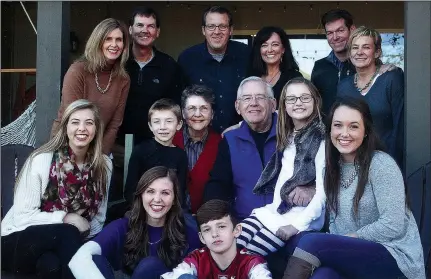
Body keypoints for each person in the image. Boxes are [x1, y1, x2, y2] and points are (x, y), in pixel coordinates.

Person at [282, 97, 425, 279]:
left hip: (395, 258)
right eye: (338, 125)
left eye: (354, 126)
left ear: (365, 131)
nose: (344, 133)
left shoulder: (381, 164)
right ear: (330, 129)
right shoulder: (330, 170)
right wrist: (343, 242)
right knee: (323, 276)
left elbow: (393, 225)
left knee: (310, 241)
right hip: (355, 258)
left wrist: (351, 238)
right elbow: (335, 225)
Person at [2, 99, 113, 279]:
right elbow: (22, 217)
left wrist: (77, 240)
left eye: (89, 123)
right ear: (65, 127)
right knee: (67, 231)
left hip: (62, 245)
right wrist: (67, 218)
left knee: (51, 266)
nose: (82, 128)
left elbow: (98, 221)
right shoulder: (42, 160)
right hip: (17, 240)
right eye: (75, 122)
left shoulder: (104, 166)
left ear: (97, 129)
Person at [237, 77, 326, 257]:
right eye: (292, 99)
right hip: (274, 210)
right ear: (283, 105)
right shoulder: (289, 134)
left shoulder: (321, 139)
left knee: (246, 257)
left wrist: (296, 226)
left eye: (305, 98)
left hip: (299, 218)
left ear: (315, 101)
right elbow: (254, 119)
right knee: (233, 245)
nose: (298, 103)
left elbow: (324, 193)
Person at [69, 166, 201, 279]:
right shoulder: (122, 226)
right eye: (150, 191)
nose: (157, 199)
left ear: (174, 199)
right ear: (141, 195)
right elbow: (78, 259)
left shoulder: (188, 233)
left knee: (150, 266)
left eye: (165, 193)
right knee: (94, 259)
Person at [51, 18, 131, 155]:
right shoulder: (78, 70)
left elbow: (114, 125)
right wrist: (82, 160)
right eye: (108, 39)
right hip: (66, 146)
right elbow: (73, 119)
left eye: (119, 40)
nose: (114, 44)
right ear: (98, 41)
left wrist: (100, 157)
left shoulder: (123, 79)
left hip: (99, 150)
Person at [203, 76, 277, 220]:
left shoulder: (290, 135)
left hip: (286, 222)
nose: (253, 103)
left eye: (260, 97)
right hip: (245, 222)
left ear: (273, 104)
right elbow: (218, 183)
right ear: (238, 106)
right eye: (247, 98)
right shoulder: (230, 140)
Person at [337, 26, 404, 168]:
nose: (359, 52)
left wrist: (394, 166)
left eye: (366, 47)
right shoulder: (344, 86)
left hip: (386, 162)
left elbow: (400, 127)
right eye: (355, 48)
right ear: (349, 53)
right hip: (353, 164)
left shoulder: (392, 79)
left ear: (377, 52)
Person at [117, 6, 183, 147]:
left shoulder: (169, 66)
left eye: (150, 26)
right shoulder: (118, 62)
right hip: (117, 145)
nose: (144, 30)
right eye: (139, 25)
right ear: (130, 30)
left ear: (157, 32)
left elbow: (175, 107)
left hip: (156, 145)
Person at [178, 6, 250, 133]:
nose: (217, 32)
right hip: (200, 137)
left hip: (240, 135)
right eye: (211, 26)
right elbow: (180, 101)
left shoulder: (247, 55)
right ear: (203, 30)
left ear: (230, 30)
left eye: (222, 26)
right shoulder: (187, 59)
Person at [161, 199, 272, 279]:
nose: (214, 234)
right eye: (207, 230)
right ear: (201, 238)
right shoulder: (197, 259)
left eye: (221, 226)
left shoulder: (251, 262)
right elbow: (174, 276)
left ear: (237, 230)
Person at [124, 99, 188, 208]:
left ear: (179, 124)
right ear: (150, 126)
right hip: (141, 209)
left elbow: (180, 192)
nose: (163, 127)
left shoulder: (180, 155)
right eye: (157, 121)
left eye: (169, 121)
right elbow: (130, 190)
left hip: (169, 210)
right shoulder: (140, 151)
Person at [172, 84, 222, 214]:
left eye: (204, 108)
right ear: (183, 113)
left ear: (212, 114)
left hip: (208, 218)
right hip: (170, 216)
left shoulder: (222, 144)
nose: (197, 114)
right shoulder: (170, 140)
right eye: (192, 108)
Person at [247, 26, 302, 104]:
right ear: (259, 50)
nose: (269, 50)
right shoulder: (251, 77)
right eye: (264, 45)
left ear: (283, 49)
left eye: (275, 44)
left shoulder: (294, 77)